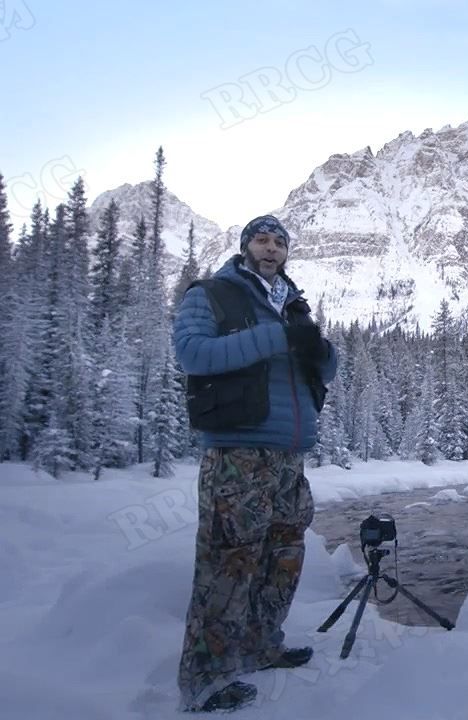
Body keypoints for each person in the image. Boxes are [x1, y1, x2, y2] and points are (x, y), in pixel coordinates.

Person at [172, 214, 339, 712]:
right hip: (237, 450)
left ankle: (261, 645)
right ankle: (204, 679)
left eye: (279, 242)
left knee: (284, 553)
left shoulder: (292, 302)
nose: (271, 249)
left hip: (289, 453)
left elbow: (321, 371)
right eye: (261, 240)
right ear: (245, 247)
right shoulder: (213, 294)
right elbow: (193, 353)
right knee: (229, 560)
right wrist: (279, 338)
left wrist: (320, 350)